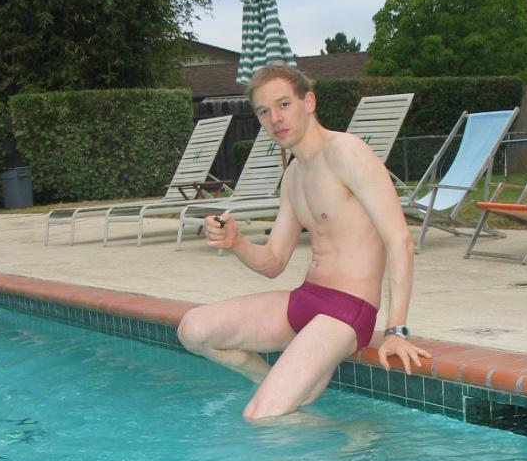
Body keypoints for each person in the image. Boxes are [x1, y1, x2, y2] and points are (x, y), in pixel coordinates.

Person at [177, 63, 430, 420]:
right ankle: (278, 389)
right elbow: (274, 262)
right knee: (194, 330)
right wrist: (236, 242)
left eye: (283, 105)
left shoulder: (347, 153)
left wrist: (396, 330)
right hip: (305, 299)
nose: (274, 118)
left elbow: (399, 240)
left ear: (308, 102)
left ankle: (339, 434)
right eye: (264, 111)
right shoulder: (294, 175)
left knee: (259, 417)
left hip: (347, 310)